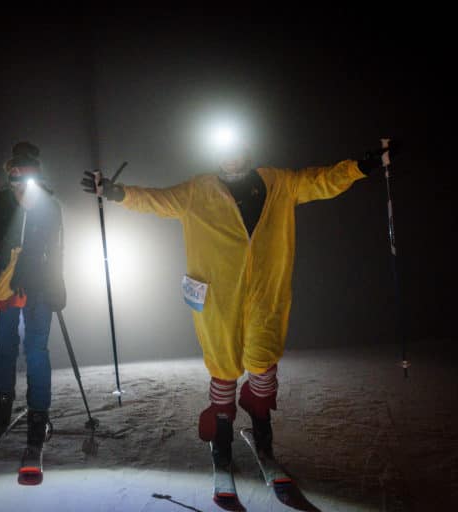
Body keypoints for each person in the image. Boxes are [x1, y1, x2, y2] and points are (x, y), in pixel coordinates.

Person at [81, 138, 392, 463]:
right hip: (216, 296)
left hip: (265, 291)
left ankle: (261, 429)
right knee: (223, 366)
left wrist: (363, 165)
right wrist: (115, 192)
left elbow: (322, 181)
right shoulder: (196, 191)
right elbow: (154, 200)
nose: (229, 158)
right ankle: (222, 434)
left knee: (263, 361)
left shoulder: (279, 183)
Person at [0, 141, 66, 453]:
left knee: (36, 349)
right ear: (9, 176)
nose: (20, 188)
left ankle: (38, 416)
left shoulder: (49, 205)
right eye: (15, 180)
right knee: (5, 348)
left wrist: (57, 283)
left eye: (26, 181)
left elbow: (56, 249)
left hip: (35, 287)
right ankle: (2, 414)